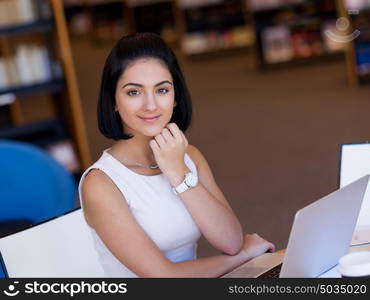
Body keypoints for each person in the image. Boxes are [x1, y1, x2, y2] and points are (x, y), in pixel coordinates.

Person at [79, 32, 275, 277]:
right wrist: (243, 257)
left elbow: (231, 241)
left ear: (175, 98)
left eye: (162, 90)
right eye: (133, 92)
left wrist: (178, 172)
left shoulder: (188, 156)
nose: (150, 105)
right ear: (114, 101)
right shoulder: (100, 183)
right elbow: (164, 278)